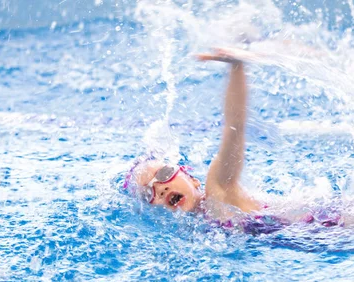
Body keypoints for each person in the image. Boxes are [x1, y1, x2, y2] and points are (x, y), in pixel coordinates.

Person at [124, 48, 341, 233]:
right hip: (318, 234)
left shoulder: (218, 188)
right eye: (147, 193)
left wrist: (237, 67)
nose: (160, 189)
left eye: (163, 174)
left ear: (192, 179)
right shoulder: (199, 225)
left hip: (337, 220)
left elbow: (234, 128)